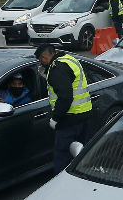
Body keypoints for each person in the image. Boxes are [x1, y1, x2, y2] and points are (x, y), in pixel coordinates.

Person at [35, 45, 93, 173]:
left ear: (44, 57)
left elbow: (65, 97)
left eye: (41, 61)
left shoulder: (57, 69)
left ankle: (61, 185)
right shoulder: (69, 59)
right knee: (78, 155)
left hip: (69, 120)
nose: (42, 64)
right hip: (83, 114)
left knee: (63, 156)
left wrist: (55, 118)